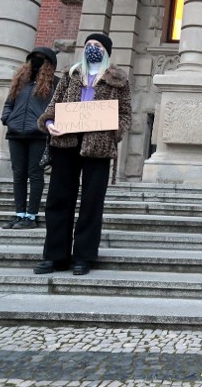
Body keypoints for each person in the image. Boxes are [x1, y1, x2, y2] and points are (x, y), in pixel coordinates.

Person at [34, 33, 132, 275]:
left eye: (97, 46)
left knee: (91, 203)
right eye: (89, 45)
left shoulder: (117, 79)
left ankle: (83, 257)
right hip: (66, 142)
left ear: (106, 51)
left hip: (98, 146)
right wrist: (49, 124)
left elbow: (126, 113)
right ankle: (55, 256)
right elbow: (52, 107)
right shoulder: (71, 74)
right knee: (58, 199)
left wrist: (114, 132)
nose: (92, 49)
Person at [0, 47, 60, 229]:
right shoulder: (21, 80)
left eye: (41, 58)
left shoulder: (54, 83)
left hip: (39, 134)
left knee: (35, 174)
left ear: (49, 63)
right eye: (34, 57)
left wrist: (49, 124)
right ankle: (19, 214)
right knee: (18, 174)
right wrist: (7, 118)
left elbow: (58, 107)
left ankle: (31, 216)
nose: (36, 61)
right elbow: (9, 102)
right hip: (16, 132)